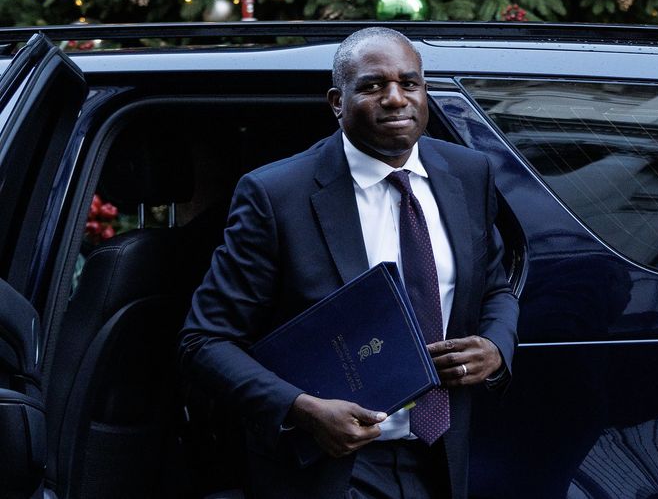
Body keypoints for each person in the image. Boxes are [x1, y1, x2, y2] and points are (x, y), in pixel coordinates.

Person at [178, 26, 520, 498]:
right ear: (337, 102)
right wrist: (301, 408)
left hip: (441, 457)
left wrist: (496, 345)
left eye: (409, 82)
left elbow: (495, 287)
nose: (396, 98)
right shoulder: (277, 196)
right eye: (373, 85)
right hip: (330, 469)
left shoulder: (468, 172)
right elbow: (205, 341)